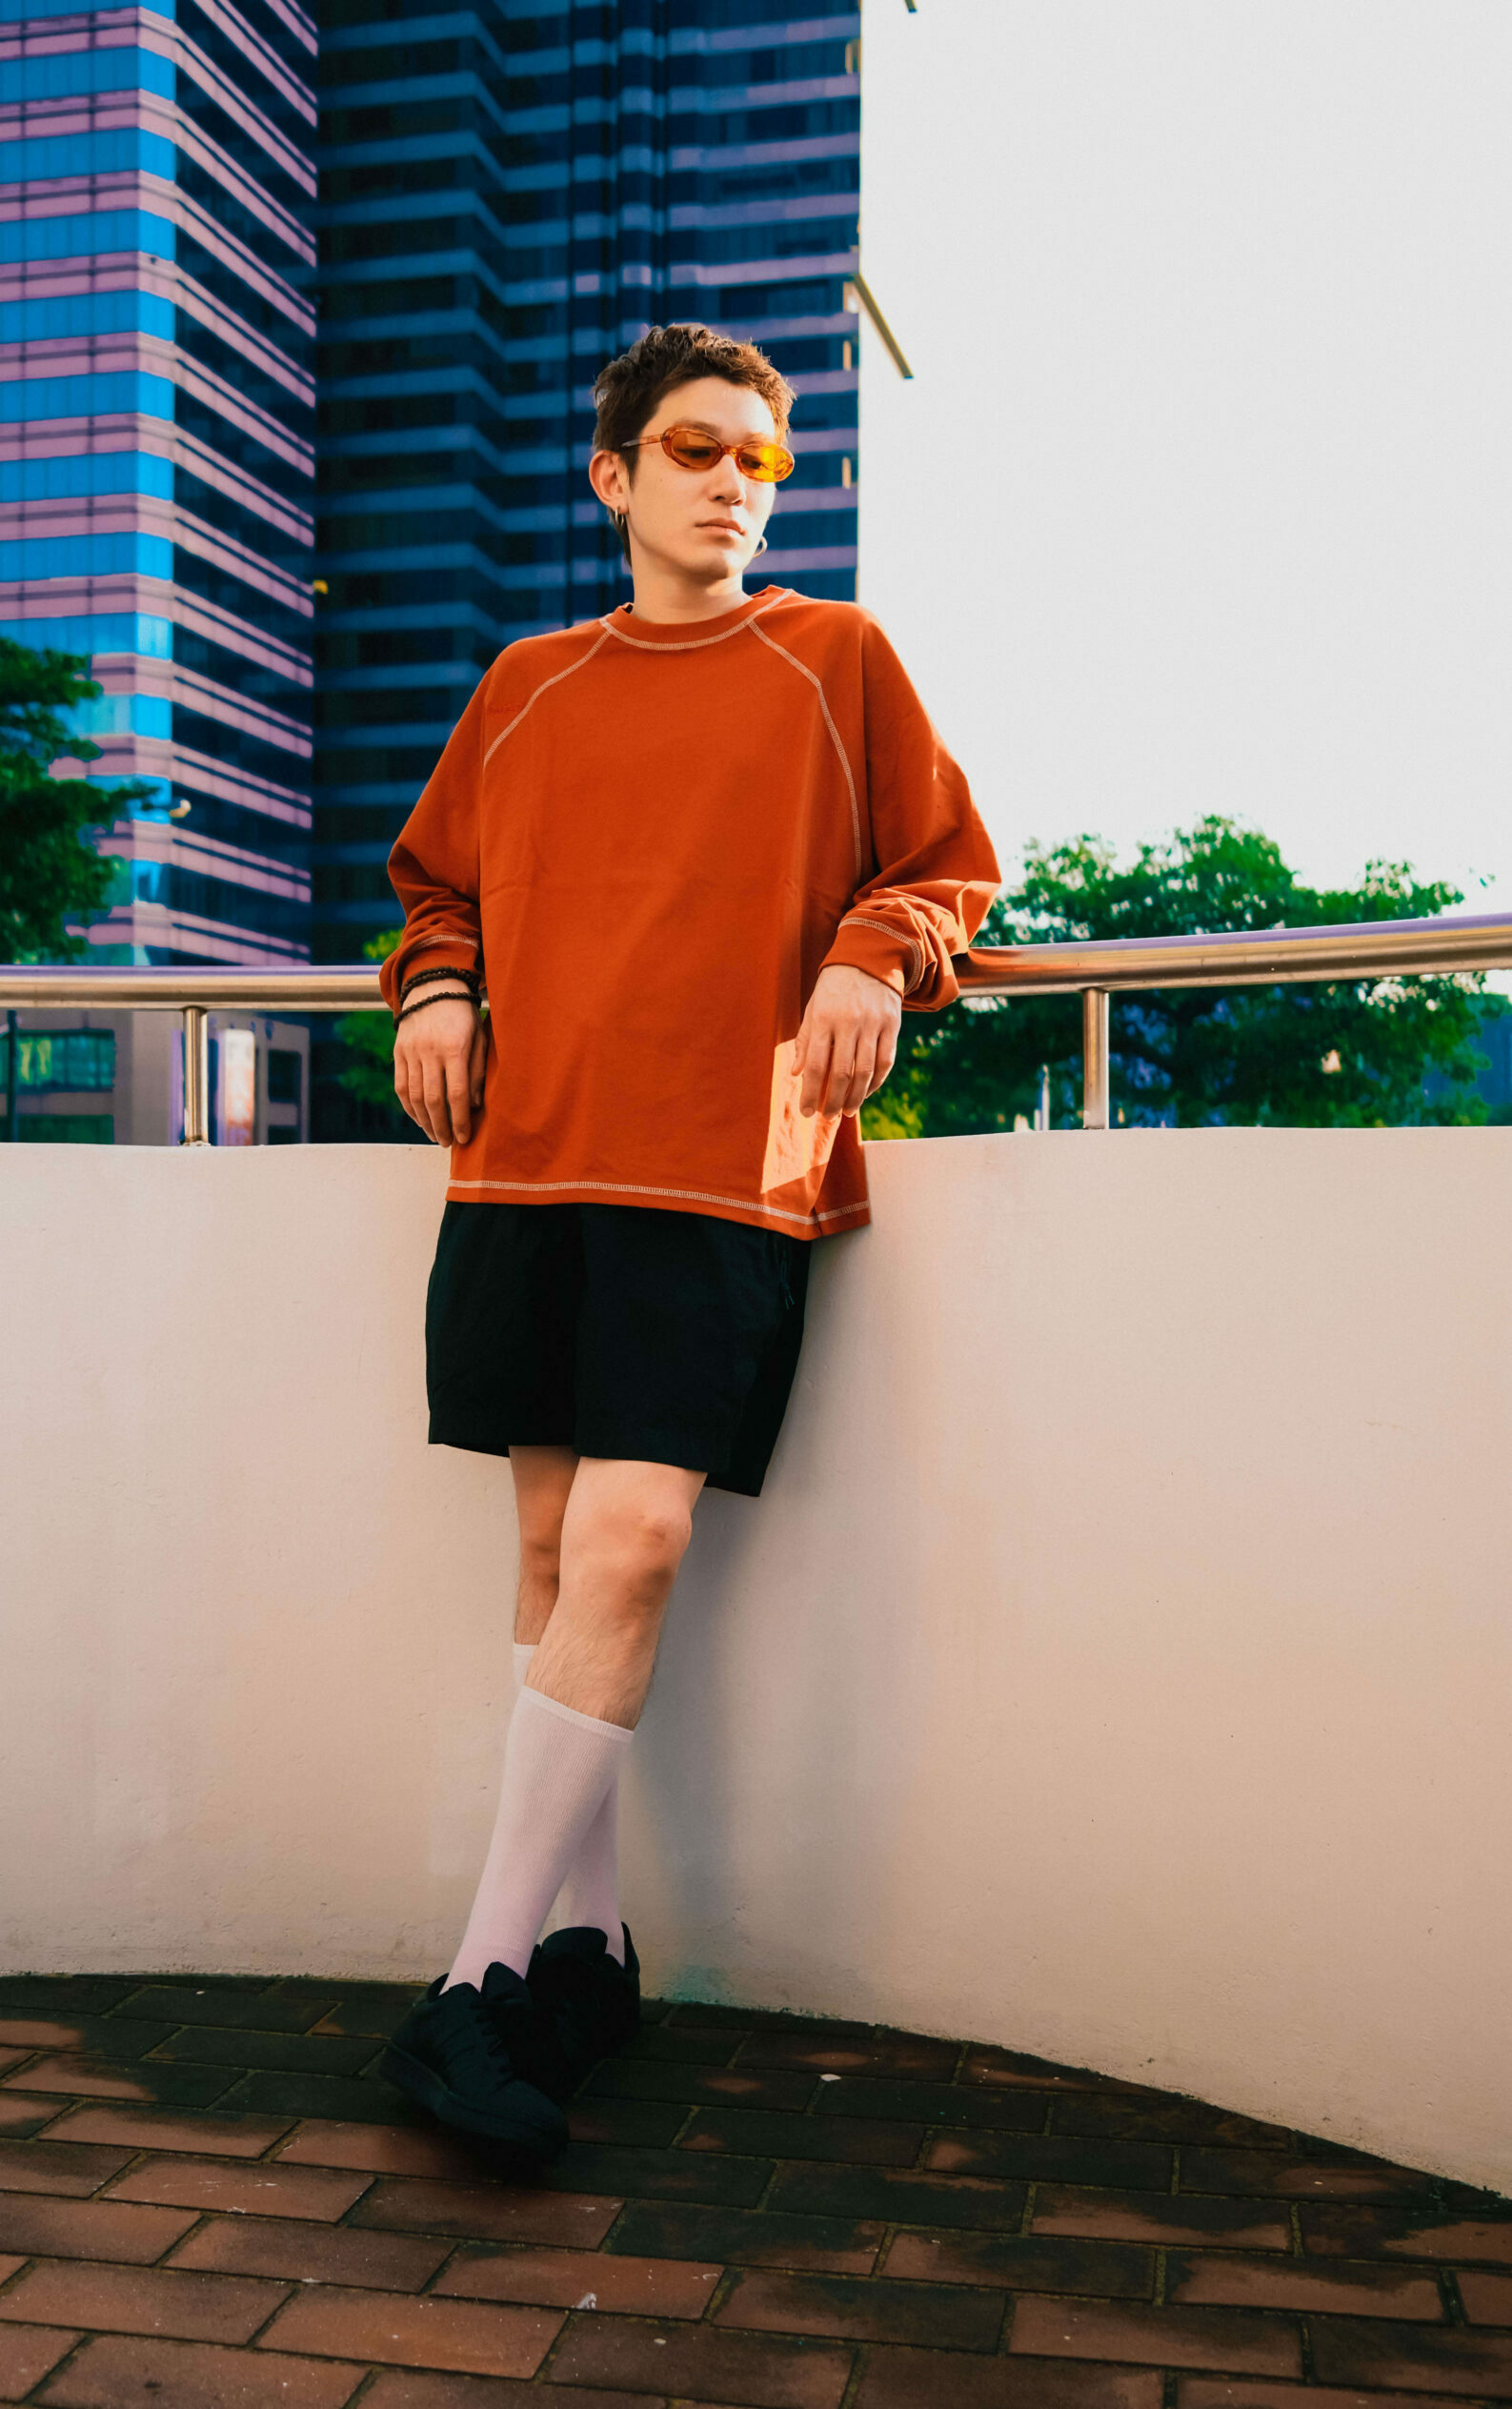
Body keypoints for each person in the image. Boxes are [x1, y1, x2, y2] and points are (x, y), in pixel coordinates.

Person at [375, 321, 1000, 2160]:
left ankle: (473, 1981)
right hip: (526, 1164)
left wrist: (871, 955)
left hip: (728, 1167)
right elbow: (430, 885)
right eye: (700, 450)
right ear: (616, 477)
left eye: (763, 460)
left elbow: (948, 864)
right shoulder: (527, 682)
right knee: (551, 1546)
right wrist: (436, 988)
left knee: (634, 1541)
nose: (737, 483)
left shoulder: (836, 657)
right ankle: (589, 1951)